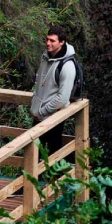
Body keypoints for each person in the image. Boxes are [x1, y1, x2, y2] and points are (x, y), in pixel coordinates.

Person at [30, 25, 82, 161]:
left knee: (54, 154)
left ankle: (54, 181)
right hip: (39, 116)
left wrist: (42, 111)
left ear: (62, 42)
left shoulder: (67, 66)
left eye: (52, 41)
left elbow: (63, 98)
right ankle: (36, 181)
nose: (48, 43)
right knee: (34, 154)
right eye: (47, 40)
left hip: (53, 118)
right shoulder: (45, 57)